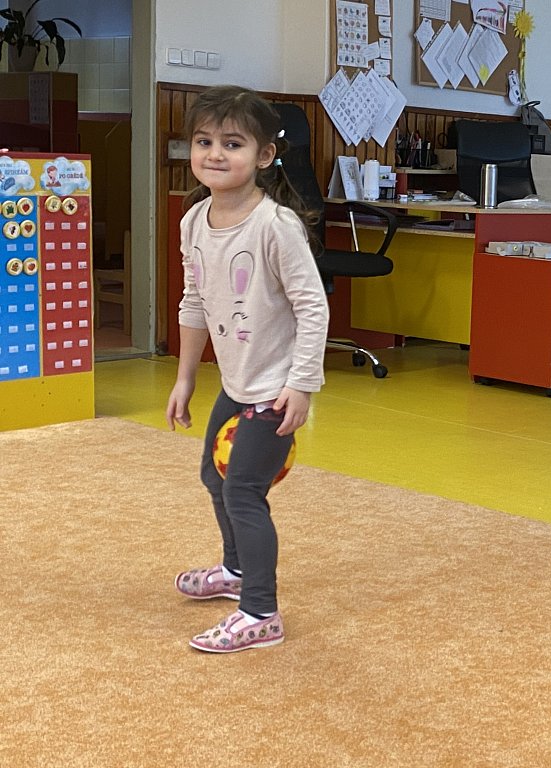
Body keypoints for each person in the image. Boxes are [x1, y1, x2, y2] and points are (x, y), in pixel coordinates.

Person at [166, 85, 329, 653]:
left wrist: (301, 385)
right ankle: (235, 571)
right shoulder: (194, 220)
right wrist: (186, 378)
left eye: (232, 144)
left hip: (274, 389)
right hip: (235, 384)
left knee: (243, 493)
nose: (215, 153)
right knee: (215, 478)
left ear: (263, 155)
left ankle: (260, 612)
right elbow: (193, 302)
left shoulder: (275, 225)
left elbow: (313, 307)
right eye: (204, 141)